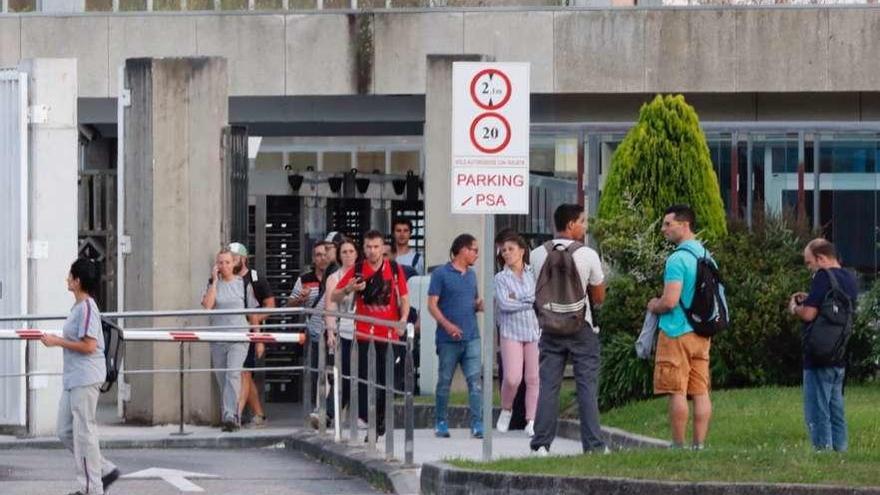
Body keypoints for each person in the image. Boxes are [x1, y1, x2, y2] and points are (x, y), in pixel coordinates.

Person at [530, 204, 606, 455]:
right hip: (581, 327)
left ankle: (541, 444)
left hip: (550, 328)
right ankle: (594, 446)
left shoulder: (537, 253)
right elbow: (598, 297)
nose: (585, 226)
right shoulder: (588, 254)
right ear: (571, 224)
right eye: (582, 221)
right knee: (586, 386)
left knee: (549, 386)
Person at [40, 258, 120, 495]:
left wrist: (56, 342)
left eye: (70, 276)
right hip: (75, 378)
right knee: (65, 430)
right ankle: (104, 470)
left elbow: (89, 345)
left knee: (84, 433)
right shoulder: (79, 307)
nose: (67, 279)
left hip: (85, 377)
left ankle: (91, 488)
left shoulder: (87, 308)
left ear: (77, 281)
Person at [647, 204, 715, 450]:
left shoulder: (677, 259)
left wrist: (654, 305)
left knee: (676, 390)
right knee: (700, 390)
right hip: (702, 332)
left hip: (676, 331)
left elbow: (670, 301)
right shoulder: (706, 256)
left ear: (684, 225)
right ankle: (700, 445)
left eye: (668, 224)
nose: (664, 229)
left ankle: (678, 445)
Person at [332, 230, 410, 438]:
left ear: (383, 247)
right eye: (368, 247)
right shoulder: (357, 269)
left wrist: (403, 320)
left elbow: (404, 297)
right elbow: (334, 295)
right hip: (365, 334)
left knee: (385, 381)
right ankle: (371, 422)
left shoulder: (394, 268)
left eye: (376, 247)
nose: (372, 251)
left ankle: (380, 419)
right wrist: (349, 288)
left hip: (389, 334)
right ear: (363, 248)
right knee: (367, 380)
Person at [789, 238, 857, 452]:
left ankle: (822, 451)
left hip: (818, 355)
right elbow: (833, 306)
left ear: (821, 258)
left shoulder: (822, 276)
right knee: (836, 408)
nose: (809, 268)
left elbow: (809, 314)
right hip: (838, 353)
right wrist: (811, 298)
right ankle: (840, 451)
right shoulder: (850, 278)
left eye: (809, 263)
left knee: (817, 410)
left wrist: (794, 308)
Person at [427, 234, 484, 439]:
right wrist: (447, 325)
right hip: (447, 339)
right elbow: (432, 305)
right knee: (444, 381)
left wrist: (479, 305)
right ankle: (441, 421)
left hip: (471, 336)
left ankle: (477, 423)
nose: (477, 254)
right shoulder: (441, 274)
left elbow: (473, 300)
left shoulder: (471, 275)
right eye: (474, 250)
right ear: (462, 250)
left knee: (475, 382)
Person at [201, 248, 259, 432]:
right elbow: (208, 306)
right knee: (222, 377)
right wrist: (215, 281)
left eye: (227, 262)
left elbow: (252, 311)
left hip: (239, 337)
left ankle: (230, 415)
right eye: (220, 262)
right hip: (218, 337)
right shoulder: (213, 284)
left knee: (233, 374)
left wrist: (258, 337)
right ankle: (231, 414)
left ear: (234, 263)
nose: (224, 266)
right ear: (216, 265)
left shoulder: (243, 284)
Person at [494, 235, 540, 437]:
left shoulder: (533, 274)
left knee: (533, 377)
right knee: (513, 377)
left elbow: (539, 298)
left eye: (511, 249)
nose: (506, 253)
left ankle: (531, 420)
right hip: (511, 331)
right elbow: (504, 304)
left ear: (522, 251)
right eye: (503, 250)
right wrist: (527, 300)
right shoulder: (500, 278)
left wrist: (519, 298)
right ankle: (506, 408)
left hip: (534, 330)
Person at [228, 242, 275, 429]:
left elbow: (270, 306)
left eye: (234, 258)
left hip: (250, 332)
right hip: (232, 332)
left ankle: (236, 414)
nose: (231, 261)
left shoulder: (256, 279)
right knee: (244, 374)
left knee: (244, 373)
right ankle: (259, 414)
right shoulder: (227, 278)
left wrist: (253, 324)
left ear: (244, 258)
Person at [288, 241, 332, 421]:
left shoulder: (337, 277)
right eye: (318, 255)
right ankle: (319, 408)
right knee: (316, 372)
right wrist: (300, 298)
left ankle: (330, 410)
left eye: (325, 254)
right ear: (313, 258)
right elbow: (290, 304)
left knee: (333, 372)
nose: (322, 258)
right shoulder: (304, 279)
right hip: (314, 335)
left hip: (333, 333)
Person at [323, 237, 360, 425]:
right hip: (342, 330)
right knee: (342, 373)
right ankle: (330, 413)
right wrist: (330, 332)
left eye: (351, 251)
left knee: (360, 374)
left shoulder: (363, 275)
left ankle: (336, 414)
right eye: (344, 252)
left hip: (362, 331)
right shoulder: (333, 278)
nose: (348, 255)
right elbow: (329, 307)